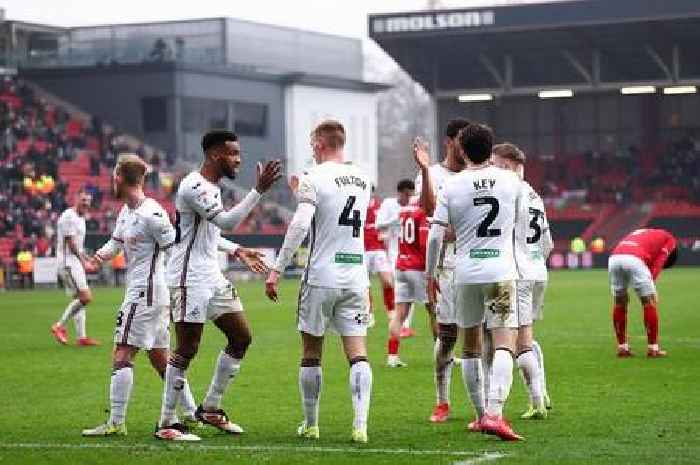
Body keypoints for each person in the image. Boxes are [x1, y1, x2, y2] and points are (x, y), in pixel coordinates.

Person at [155, 130, 281, 441]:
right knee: (187, 347)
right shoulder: (195, 186)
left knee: (241, 337)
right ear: (215, 155)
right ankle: (167, 423)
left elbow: (211, 233)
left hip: (211, 275)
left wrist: (236, 249)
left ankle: (210, 408)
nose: (239, 159)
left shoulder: (211, 187)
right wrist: (258, 191)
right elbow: (225, 221)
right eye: (233, 154)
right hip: (188, 278)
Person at [265, 120, 373, 443]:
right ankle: (360, 426)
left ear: (321, 144)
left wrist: (277, 268)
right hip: (355, 274)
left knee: (311, 351)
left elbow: (301, 224)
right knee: (358, 352)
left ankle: (311, 424)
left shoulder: (314, 177)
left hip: (322, 276)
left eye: (313, 143)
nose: (311, 148)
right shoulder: (364, 178)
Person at [81, 154, 199, 436]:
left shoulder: (152, 214)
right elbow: (116, 241)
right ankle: (192, 412)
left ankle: (116, 423)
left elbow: (176, 249)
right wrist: (98, 258)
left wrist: (181, 286)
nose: (112, 181)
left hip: (145, 293)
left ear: (120, 178)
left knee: (122, 352)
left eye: (113, 177)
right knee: (161, 359)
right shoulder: (127, 211)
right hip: (148, 295)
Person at [426, 123, 525, 441]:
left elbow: (435, 236)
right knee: (503, 344)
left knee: (469, 345)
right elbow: (521, 227)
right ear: (490, 146)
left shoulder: (452, 186)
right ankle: (495, 413)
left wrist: (430, 274)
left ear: (462, 150)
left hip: (464, 273)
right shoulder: (511, 180)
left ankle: (481, 414)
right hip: (500, 272)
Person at [412, 118, 470, 423]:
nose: (465, 147)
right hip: (447, 263)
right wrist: (423, 170)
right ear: (449, 141)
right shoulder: (432, 173)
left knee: (482, 335)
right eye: (461, 140)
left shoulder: (480, 175)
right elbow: (429, 211)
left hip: (477, 261)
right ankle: (442, 401)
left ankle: (486, 406)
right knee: (448, 336)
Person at [491, 143, 553, 420]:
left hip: (516, 273)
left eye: (494, 163)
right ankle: (540, 398)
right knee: (525, 336)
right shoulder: (534, 194)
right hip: (538, 271)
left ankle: (533, 401)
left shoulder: (508, 191)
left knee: (515, 341)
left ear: (506, 165)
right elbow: (547, 243)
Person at [386, 180, 434, 368]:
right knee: (434, 312)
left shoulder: (404, 210)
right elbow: (423, 244)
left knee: (399, 314)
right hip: (417, 268)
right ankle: (444, 355)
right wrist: (432, 271)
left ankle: (392, 356)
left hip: (401, 266)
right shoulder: (423, 212)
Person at [609, 228, 677, 358]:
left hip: (614, 258)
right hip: (634, 258)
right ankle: (653, 349)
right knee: (648, 302)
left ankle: (622, 348)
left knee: (620, 302)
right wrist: (650, 284)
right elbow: (659, 262)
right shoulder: (670, 240)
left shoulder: (644, 232)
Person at [51, 188, 101, 346]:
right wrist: (84, 261)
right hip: (68, 262)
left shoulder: (81, 218)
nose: (86, 203)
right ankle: (59, 326)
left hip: (75, 261)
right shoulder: (68, 216)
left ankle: (82, 337)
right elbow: (71, 244)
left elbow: (78, 246)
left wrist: (88, 258)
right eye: (83, 200)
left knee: (80, 300)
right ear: (76, 199)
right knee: (85, 297)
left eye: (88, 201)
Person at [364, 187, 395, 325]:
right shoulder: (358, 205)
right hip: (363, 250)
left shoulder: (379, 206)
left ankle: (391, 312)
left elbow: (386, 226)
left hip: (378, 249)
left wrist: (386, 239)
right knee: (364, 285)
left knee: (388, 281)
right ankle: (368, 313)